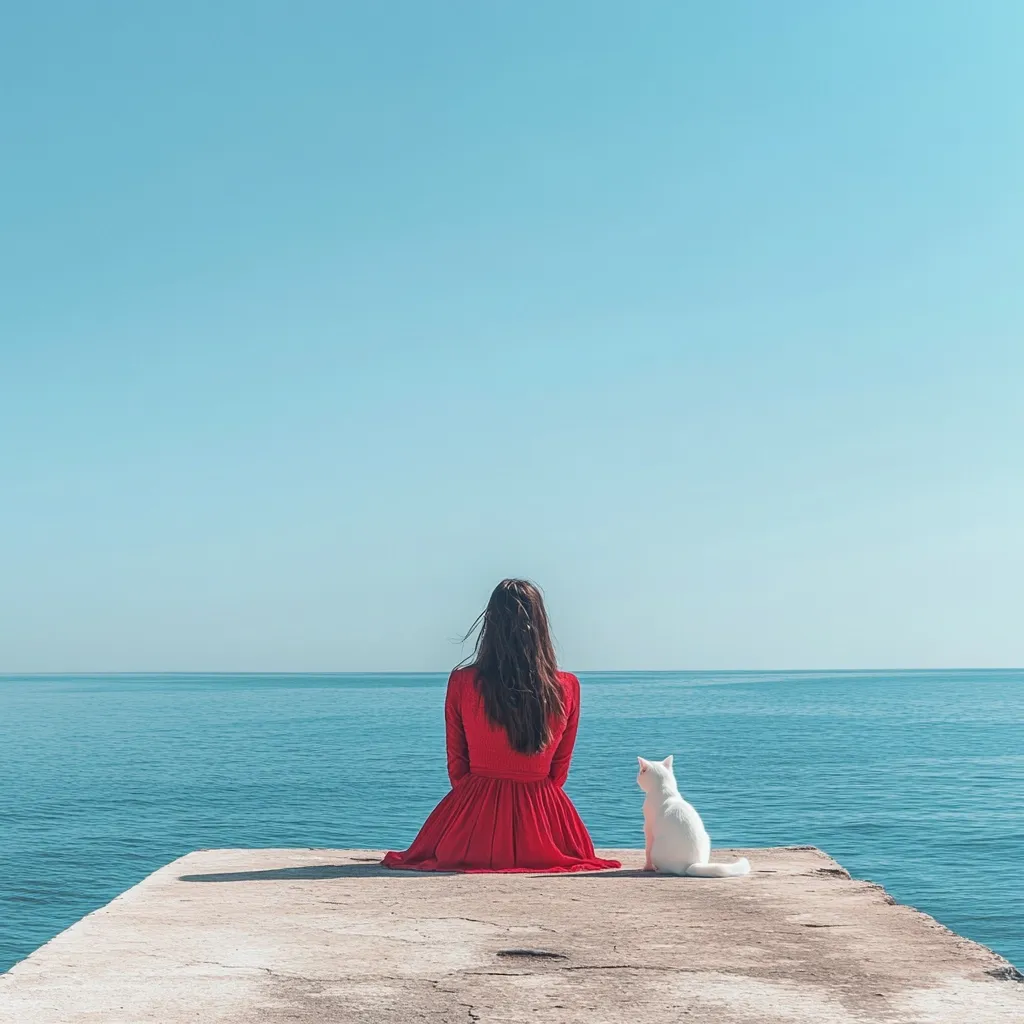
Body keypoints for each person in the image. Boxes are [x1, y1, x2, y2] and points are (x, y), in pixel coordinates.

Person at [382, 579, 620, 873]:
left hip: (471, 827)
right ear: (541, 625)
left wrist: (477, 809)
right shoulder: (567, 686)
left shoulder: (462, 682)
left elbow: (458, 767)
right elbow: (559, 771)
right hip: (547, 828)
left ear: (490, 625)